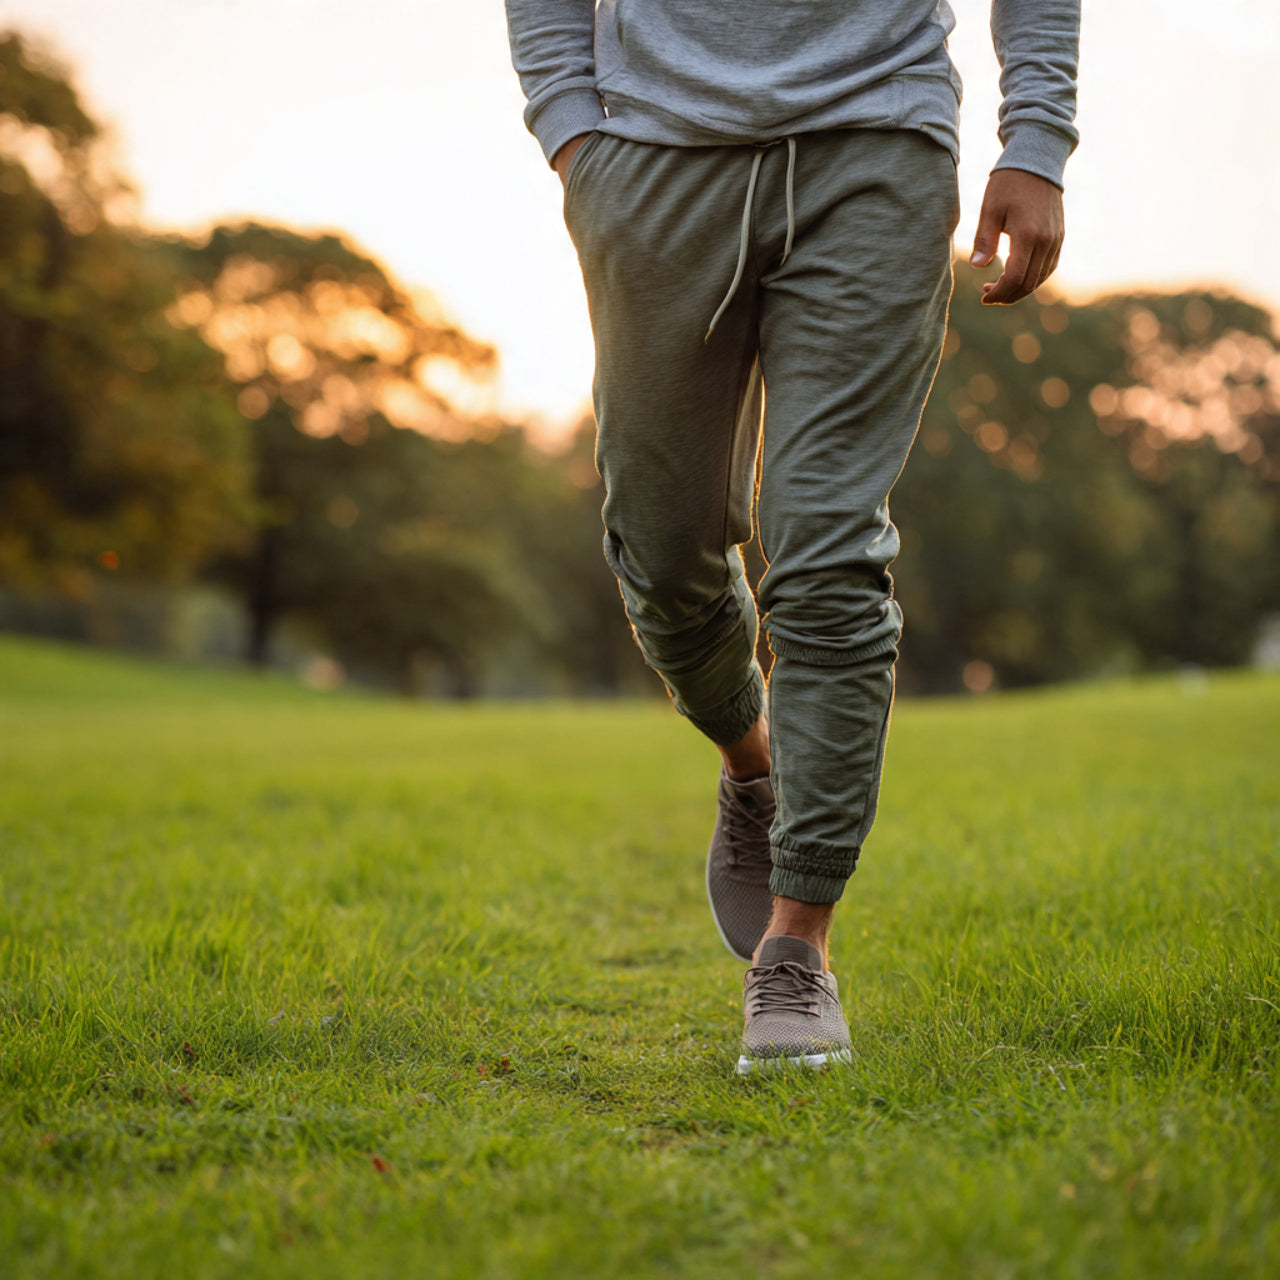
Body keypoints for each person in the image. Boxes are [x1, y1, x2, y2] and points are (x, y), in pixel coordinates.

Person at [504, 0, 1079, 1073]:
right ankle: (749, 759)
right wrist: (570, 129)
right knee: (660, 546)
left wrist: (1034, 139)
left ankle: (795, 945)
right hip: (650, 158)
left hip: (877, 140)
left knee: (823, 548)